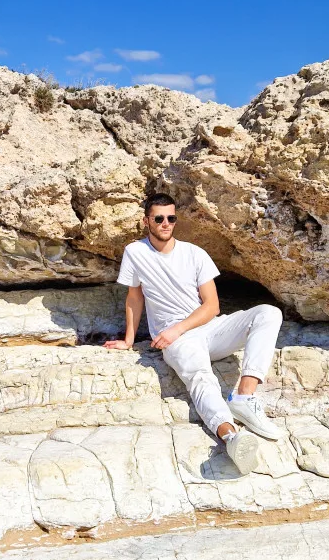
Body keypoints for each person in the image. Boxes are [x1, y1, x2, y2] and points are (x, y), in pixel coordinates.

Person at [104, 192, 283, 475]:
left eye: (171, 218)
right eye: (159, 218)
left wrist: (178, 328)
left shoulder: (195, 253)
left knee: (268, 313)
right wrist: (128, 340)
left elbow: (212, 306)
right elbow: (134, 298)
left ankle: (244, 399)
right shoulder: (135, 253)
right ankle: (231, 436)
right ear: (146, 221)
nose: (166, 223)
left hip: (206, 328)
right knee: (200, 377)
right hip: (179, 341)